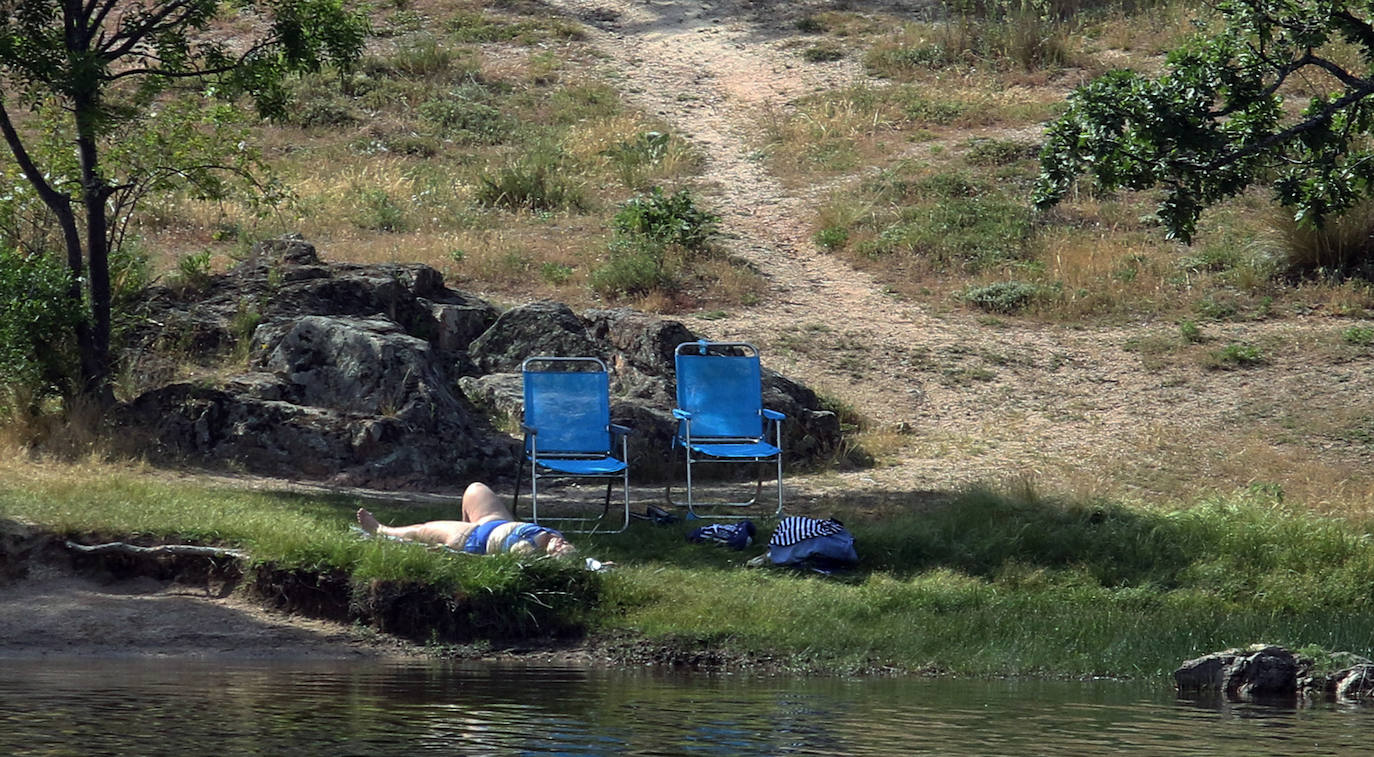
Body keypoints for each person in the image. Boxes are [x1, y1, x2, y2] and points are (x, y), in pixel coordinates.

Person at [355, 482, 576, 557]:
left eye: (559, 549)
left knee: (422, 530)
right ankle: (458, 524)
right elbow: (589, 564)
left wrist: (453, 554)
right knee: (476, 489)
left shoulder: (527, 551)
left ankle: (380, 530)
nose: (561, 543)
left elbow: (500, 563)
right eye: (564, 544)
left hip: (473, 539)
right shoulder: (552, 538)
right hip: (496, 523)